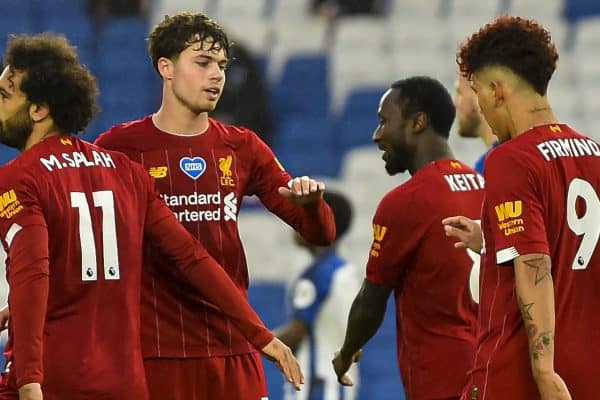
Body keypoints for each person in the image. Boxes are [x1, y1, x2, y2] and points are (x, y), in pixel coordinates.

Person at [0, 33, 303, 400]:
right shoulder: (124, 170)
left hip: (53, 373)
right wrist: (261, 334)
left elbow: (33, 272)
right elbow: (192, 257)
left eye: (5, 95)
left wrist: (30, 380)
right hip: (125, 378)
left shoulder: (19, 177)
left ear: (38, 110)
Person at [94, 12, 336, 400]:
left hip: (234, 346)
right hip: (158, 353)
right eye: (203, 63)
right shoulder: (120, 148)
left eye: (222, 65)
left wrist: (312, 206)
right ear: (166, 67)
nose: (217, 75)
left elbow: (320, 234)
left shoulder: (243, 146)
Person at [443, 15, 600, 400]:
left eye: (477, 91)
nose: (480, 106)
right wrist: (492, 239)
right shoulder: (594, 153)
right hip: (588, 370)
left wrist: (543, 371)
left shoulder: (510, 159)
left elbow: (536, 265)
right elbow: (567, 243)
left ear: (497, 91)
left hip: (518, 374)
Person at [332, 76, 483, 400]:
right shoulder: (484, 185)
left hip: (441, 382)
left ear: (417, 122)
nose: (377, 135)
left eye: (385, 121)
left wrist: (346, 352)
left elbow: (370, 303)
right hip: (491, 372)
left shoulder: (406, 201)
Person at [277, 191, 361, 400]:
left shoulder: (318, 275)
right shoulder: (343, 270)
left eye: (303, 215)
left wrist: (249, 344)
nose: (295, 221)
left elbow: (296, 333)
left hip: (317, 387)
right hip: (338, 385)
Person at [453, 74, 498, 173]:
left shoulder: (488, 171)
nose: (455, 103)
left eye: (459, 92)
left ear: (478, 93)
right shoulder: (529, 151)